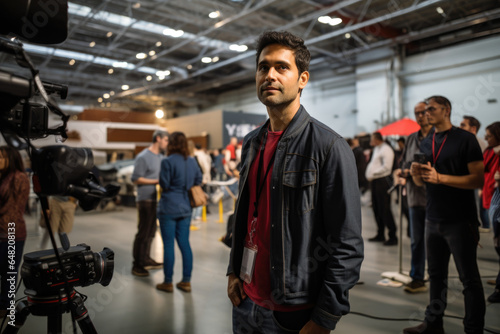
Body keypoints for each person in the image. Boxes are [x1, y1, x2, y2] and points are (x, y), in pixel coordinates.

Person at [227, 31, 363, 334]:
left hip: (294, 312)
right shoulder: (252, 143)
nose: (270, 75)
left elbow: (347, 243)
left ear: (302, 79)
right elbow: (245, 215)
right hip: (245, 302)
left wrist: (325, 317)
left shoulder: (328, 147)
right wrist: (233, 272)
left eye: (281, 67)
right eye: (263, 67)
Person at [404, 96, 485, 334]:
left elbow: (477, 180)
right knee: (436, 275)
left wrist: (442, 178)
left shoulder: (465, 140)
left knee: (468, 279)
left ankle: (473, 328)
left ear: (446, 110)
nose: (426, 113)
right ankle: (433, 324)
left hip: (460, 220)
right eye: (424, 110)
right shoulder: (427, 141)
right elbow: (421, 182)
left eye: (431, 109)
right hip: (433, 218)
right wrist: (415, 173)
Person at [156, 132, 202, 293]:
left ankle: (168, 282)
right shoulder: (191, 161)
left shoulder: (167, 161)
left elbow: (164, 183)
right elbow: (198, 180)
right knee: (184, 243)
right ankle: (186, 282)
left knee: (168, 245)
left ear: (172, 144)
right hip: (185, 207)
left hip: (169, 207)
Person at [396, 101, 432, 293]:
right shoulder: (411, 139)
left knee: (437, 242)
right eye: (416, 113)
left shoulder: (440, 138)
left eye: (423, 112)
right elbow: (404, 164)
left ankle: (437, 277)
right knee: (416, 240)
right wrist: (404, 172)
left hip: (437, 198)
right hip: (415, 198)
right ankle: (417, 277)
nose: (420, 116)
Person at [131, 130, 169, 277]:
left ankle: (146, 259)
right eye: (165, 140)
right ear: (158, 139)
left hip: (157, 199)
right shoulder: (143, 156)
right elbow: (135, 178)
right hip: (145, 199)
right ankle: (137, 265)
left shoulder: (161, 156)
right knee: (143, 232)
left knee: (152, 232)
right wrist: (156, 181)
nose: (167, 143)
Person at [0, 146, 30, 318]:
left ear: (10, 159)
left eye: (1, 157)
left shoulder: (18, 177)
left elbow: (12, 210)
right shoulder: (4, 177)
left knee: (9, 271)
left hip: (12, 231)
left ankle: (6, 306)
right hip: (4, 231)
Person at [365, 131, 398, 245]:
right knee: (376, 208)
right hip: (375, 182)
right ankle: (380, 233)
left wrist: (373, 173)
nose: (370, 140)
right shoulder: (377, 148)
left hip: (382, 182)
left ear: (377, 139)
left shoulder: (386, 149)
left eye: (372, 138)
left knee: (384, 209)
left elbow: (387, 168)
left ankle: (392, 236)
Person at [460, 115, 490, 231]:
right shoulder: (465, 143)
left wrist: (482, 187)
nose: (460, 127)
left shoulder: (478, 143)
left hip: (476, 183)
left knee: (478, 205)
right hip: (467, 182)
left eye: (463, 125)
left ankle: (483, 225)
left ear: (473, 129)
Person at [482, 122, 500, 303]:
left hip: (498, 200)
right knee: (498, 243)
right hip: (491, 200)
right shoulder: (489, 151)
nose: (486, 138)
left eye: (489, 135)